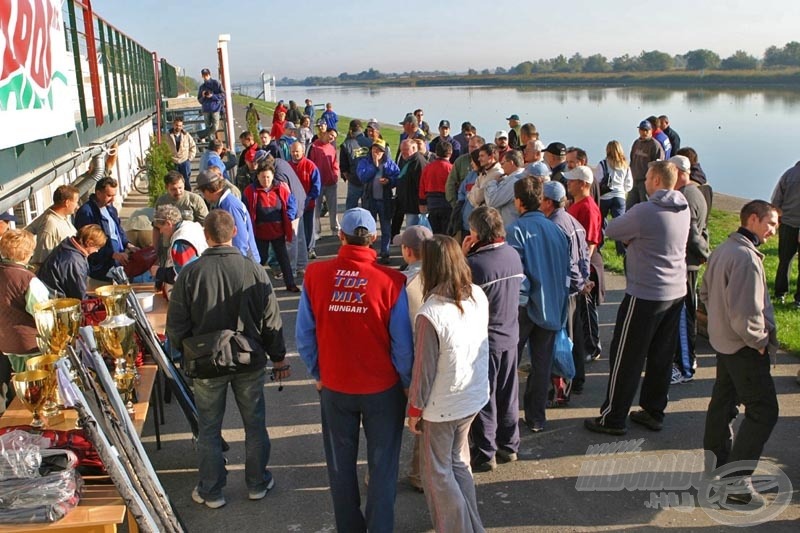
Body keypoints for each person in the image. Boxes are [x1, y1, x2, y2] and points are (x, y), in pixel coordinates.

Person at [296, 208, 413, 533]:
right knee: (383, 466)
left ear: (342, 236)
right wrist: (405, 381)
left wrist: (317, 372)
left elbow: (304, 335)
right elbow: (402, 344)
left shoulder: (316, 276)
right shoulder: (392, 281)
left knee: (340, 466)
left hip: (336, 385)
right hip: (382, 390)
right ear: (374, 238)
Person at [167, 210, 289, 509]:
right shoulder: (254, 269)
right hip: (249, 358)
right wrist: (278, 358)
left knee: (208, 428)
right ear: (233, 231)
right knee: (255, 424)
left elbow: (176, 325)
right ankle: (257, 483)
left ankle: (212, 491)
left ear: (206, 237)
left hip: (206, 362)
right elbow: (271, 319)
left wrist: (182, 353)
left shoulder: (190, 274)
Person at [584, 161, 689, 436]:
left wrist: (634, 241)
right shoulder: (683, 207)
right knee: (661, 356)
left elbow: (613, 230)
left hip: (646, 293)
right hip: (675, 291)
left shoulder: (645, 211)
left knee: (626, 355)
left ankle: (613, 417)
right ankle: (654, 410)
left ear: (654, 180)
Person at [700, 200, 780, 507]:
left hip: (723, 342)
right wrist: (759, 341)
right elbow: (746, 314)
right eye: (770, 224)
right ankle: (736, 483)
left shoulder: (723, 248)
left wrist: (719, 323)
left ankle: (718, 469)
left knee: (723, 404)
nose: (773, 231)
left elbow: (705, 293)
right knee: (764, 410)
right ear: (753, 219)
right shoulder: (745, 258)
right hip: (744, 347)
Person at [407, 235, 489, 533]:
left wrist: (414, 409)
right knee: (458, 464)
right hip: (472, 395)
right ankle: (472, 526)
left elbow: (423, 371)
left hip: (442, 406)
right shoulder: (477, 295)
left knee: (438, 475)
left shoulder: (430, 314)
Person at [462, 206, 524, 473]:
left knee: (484, 396)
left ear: (477, 234)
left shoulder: (475, 266)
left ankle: (485, 452)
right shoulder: (513, 255)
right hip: (510, 334)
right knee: (508, 393)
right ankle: (509, 445)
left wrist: (462, 256)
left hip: (484, 340)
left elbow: (456, 291)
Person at [507, 177, 570, 433]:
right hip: (553, 304)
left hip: (525, 308)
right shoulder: (556, 230)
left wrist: (516, 305)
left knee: (509, 362)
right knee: (542, 363)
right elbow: (567, 269)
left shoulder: (515, 230)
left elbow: (517, 275)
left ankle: (507, 417)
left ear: (519, 201)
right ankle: (536, 417)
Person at [539, 181, 591, 398]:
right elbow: (585, 254)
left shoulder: (555, 226)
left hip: (564, 290)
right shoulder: (573, 221)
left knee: (563, 341)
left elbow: (566, 263)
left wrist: (575, 282)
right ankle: (577, 380)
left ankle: (563, 389)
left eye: (541, 199)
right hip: (576, 290)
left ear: (549, 202)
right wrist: (585, 280)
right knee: (575, 337)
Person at [392, 224, 433, 492]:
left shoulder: (402, 284)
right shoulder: (443, 278)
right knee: (427, 424)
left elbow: (398, 336)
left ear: (407, 251)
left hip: (404, 363)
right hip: (433, 363)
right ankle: (420, 473)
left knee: (389, 424)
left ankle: (381, 473)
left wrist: (405, 376)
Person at [670, 155, 710, 384]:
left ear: (678, 171)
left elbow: (692, 234)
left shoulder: (686, 196)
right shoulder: (694, 192)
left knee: (684, 316)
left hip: (686, 263)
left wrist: (704, 254)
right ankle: (683, 361)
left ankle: (685, 367)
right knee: (683, 313)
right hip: (687, 261)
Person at [565, 166, 605, 364]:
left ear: (584, 184)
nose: (568, 184)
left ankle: (593, 347)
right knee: (580, 312)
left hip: (586, 268)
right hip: (579, 268)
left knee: (587, 311)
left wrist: (583, 275)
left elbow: (589, 244)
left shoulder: (588, 207)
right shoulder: (575, 204)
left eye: (572, 181)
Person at [0, 229, 50, 376]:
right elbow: (43, 314)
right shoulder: (28, 280)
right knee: (38, 386)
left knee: (21, 382)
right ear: (27, 253)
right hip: (30, 343)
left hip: (6, 340)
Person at [243, 161, 299, 292]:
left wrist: (289, 217)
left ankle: (290, 283)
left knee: (283, 259)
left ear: (273, 176)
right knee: (259, 260)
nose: (266, 180)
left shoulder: (281, 188)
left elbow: (292, 203)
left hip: (278, 231)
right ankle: (252, 287)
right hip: (260, 233)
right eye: (263, 177)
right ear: (257, 177)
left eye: (268, 177)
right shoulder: (250, 191)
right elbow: (244, 209)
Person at [74, 177, 134, 285]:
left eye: (114, 195)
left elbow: (118, 231)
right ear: (98, 193)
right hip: (101, 268)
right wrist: (112, 254)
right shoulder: (86, 212)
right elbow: (88, 243)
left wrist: (128, 244)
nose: (113, 200)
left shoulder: (111, 209)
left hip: (117, 262)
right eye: (109, 195)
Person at [196, 170, 260, 263]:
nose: (203, 196)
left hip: (245, 260)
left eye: (202, 193)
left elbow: (240, 239)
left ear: (207, 191)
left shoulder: (230, 205)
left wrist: (238, 263)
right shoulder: (222, 203)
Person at [356, 138, 400, 264]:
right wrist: (374, 166)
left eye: (380, 150)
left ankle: (385, 253)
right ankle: (368, 252)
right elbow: (362, 177)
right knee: (369, 228)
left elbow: (397, 176)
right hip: (370, 200)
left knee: (386, 228)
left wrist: (389, 181)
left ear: (384, 152)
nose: (377, 152)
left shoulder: (389, 164)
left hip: (384, 200)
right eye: (375, 149)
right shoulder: (365, 162)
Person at [38, 224, 107, 300]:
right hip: (56, 300)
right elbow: (79, 295)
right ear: (89, 243)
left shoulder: (66, 246)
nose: (97, 251)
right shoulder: (74, 261)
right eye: (96, 247)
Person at [149, 205, 208, 287]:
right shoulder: (191, 226)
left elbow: (183, 275)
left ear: (168, 223)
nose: (161, 232)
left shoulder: (181, 242)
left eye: (161, 228)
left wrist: (159, 272)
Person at [595, 140, 633, 256]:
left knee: (600, 223)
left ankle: (598, 247)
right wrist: (622, 191)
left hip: (605, 197)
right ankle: (621, 251)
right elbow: (629, 184)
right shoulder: (625, 165)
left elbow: (597, 180)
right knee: (620, 224)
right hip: (619, 196)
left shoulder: (603, 164)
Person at [27, 184, 79, 268]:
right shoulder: (49, 225)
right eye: (76, 202)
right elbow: (42, 261)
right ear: (67, 203)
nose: (77, 206)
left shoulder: (63, 218)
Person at [770, 160, 800, 307]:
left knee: (785, 260)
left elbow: (776, 201)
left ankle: (780, 293)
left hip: (788, 223)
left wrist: (778, 218)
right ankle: (799, 299)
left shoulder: (788, 174)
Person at [288, 142, 322, 262]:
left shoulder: (310, 166)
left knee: (309, 227)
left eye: (297, 151)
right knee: (294, 229)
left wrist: (308, 199)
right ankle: (297, 250)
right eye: (293, 151)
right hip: (293, 206)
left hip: (308, 204)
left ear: (303, 151)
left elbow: (316, 186)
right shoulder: (288, 166)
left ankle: (310, 248)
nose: (295, 154)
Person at [308, 129, 341, 238]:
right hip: (318, 184)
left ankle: (335, 229)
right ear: (326, 133)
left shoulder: (332, 148)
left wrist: (335, 176)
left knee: (333, 207)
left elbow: (335, 164)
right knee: (316, 207)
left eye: (334, 137)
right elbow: (310, 164)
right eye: (331, 135)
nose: (332, 138)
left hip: (331, 183)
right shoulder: (314, 147)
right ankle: (316, 231)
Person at [393, 139, 428, 237]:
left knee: (412, 230)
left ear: (414, 148)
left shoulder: (419, 162)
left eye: (405, 149)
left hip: (414, 205)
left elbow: (422, 185)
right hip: (406, 202)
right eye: (401, 150)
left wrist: (422, 202)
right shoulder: (408, 160)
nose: (403, 152)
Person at [419, 140, 454, 234]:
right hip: (447, 202)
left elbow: (422, 185)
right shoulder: (451, 168)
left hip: (432, 202)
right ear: (450, 153)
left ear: (436, 153)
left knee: (435, 232)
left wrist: (422, 202)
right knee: (446, 232)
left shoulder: (428, 167)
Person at [628, 120, 665, 208]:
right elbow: (632, 159)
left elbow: (659, 165)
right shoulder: (636, 143)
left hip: (646, 182)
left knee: (646, 207)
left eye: (646, 130)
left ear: (651, 131)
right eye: (641, 129)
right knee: (629, 207)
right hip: (634, 181)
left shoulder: (655, 145)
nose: (644, 132)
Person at [484, 149, 526, 226]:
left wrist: (492, 182)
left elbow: (492, 201)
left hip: (512, 227)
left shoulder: (515, 180)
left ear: (511, 163)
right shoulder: (514, 178)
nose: (502, 167)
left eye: (503, 163)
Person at [339, 119, 370, 210]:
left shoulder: (346, 144)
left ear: (350, 129)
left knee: (351, 208)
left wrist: (349, 178)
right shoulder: (370, 142)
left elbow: (343, 167)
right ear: (361, 128)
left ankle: (350, 224)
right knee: (367, 209)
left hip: (354, 181)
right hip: (368, 180)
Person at [446, 135, 484, 207]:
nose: (471, 149)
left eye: (474, 147)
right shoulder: (460, 161)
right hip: (463, 203)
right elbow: (450, 183)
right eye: (470, 146)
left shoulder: (485, 162)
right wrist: (454, 203)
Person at [166, 117, 197, 190]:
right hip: (173, 162)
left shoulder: (186, 135)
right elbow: (163, 148)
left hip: (184, 162)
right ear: (173, 125)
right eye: (176, 125)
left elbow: (193, 146)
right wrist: (167, 159)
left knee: (186, 182)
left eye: (180, 126)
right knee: (174, 182)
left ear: (182, 126)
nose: (178, 127)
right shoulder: (167, 136)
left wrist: (189, 158)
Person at [197, 68, 224, 142]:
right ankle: (212, 144)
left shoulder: (216, 83)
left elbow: (223, 95)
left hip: (215, 108)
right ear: (202, 76)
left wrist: (212, 96)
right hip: (206, 109)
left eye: (207, 75)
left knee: (215, 127)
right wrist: (203, 96)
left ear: (209, 74)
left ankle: (201, 135)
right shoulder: (202, 87)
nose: (205, 76)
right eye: (204, 75)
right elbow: (199, 100)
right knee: (208, 127)